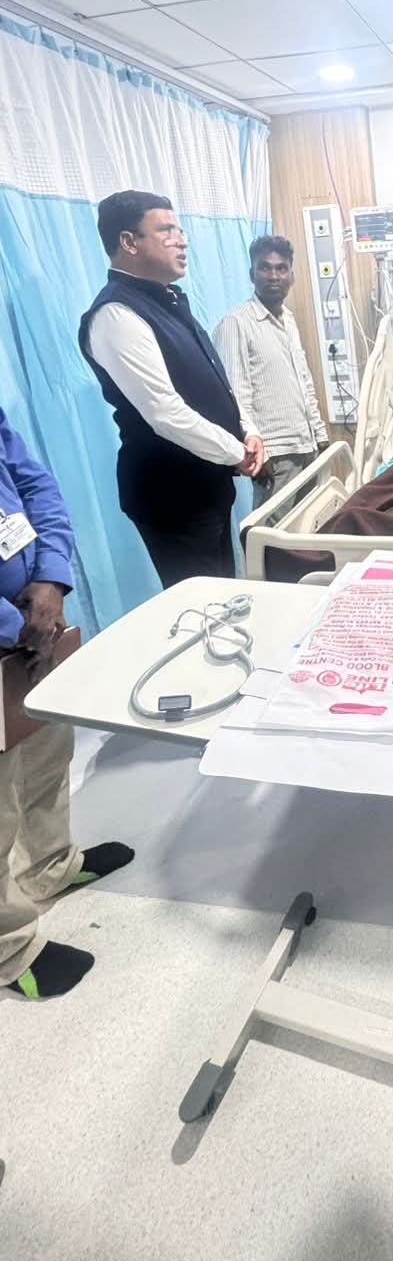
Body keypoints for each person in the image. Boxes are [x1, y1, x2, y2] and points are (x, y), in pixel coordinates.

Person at [0, 408, 133, 999]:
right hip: (18, 628)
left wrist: (51, 580)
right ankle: (8, 951)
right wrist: (15, 627)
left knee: (46, 748)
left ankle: (49, 867)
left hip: (35, 622)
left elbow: (35, 485)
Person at [79, 191, 265, 588]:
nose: (181, 241)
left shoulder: (169, 301)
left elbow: (214, 379)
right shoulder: (116, 314)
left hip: (206, 483)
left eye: (180, 231)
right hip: (170, 494)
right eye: (166, 231)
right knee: (200, 604)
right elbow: (164, 412)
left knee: (223, 592)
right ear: (129, 242)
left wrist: (247, 430)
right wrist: (236, 452)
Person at [213, 235, 328, 506]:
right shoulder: (236, 324)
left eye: (281, 268)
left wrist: (321, 436)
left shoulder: (289, 320)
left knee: (310, 524)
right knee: (273, 530)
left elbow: (304, 382)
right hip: (274, 454)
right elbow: (234, 396)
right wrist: (254, 453)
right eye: (265, 267)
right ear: (252, 274)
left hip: (307, 446)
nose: (274, 275)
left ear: (291, 276)